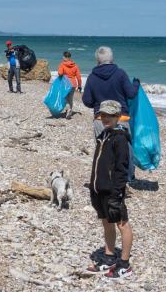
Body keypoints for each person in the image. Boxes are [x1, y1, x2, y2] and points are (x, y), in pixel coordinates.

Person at [85, 100, 134, 279]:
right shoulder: (103, 135)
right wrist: (93, 187)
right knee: (106, 222)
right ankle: (108, 257)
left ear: (118, 117)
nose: (106, 118)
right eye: (103, 115)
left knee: (122, 224)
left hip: (113, 191)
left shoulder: (119, 138)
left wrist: (117, 193)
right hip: (99, 189)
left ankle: (124, 264)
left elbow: (122, 169)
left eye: (110, 116)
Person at [82, 46, 139, 181]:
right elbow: (131, 94)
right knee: (125, 152)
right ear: (112, 59)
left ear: (98, 61)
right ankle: (126, 178)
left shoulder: (92, 77)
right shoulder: (120, 74)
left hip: (101, 120)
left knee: (104, 151)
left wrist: (98, 104)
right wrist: (136, 84)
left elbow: (87, 100)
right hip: (120, 119)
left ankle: (106, 178)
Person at [57, 51, 83, 119]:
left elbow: (60, 73)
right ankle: (70, 111)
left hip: (65, 83)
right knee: (70, 98)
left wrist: (62, 74)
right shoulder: (75, 65)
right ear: (70, 57)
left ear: (64, 57)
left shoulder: (62, 64)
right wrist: (79, 86)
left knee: (65, 98)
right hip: (73, 84)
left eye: (63, 56)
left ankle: (68, 110)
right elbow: (79, 77)